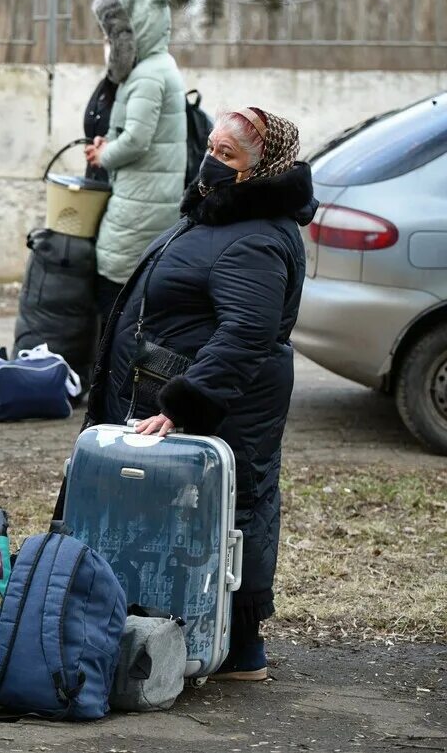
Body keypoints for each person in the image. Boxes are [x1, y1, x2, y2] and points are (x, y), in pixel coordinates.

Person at [79, 107, 315, 681]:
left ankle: (233, 648)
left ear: (262, 170)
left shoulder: (256, 239)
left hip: (221, 409)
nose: (211, 159)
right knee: (185, 519)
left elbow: (246, 333)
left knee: (232, 517)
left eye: (228, 154)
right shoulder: (221, 216)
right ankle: (172, 631)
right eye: (211, 146)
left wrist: (185, 404)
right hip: (179, 395)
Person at [84, 0, 186, 323]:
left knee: (114, 283)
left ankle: (114, 368)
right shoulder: (158, 66)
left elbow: (138, 140)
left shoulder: (148, 75)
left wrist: (103, 157)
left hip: (140, 204)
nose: (109, 43)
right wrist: (106, 144)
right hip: (146, 196)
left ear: (136, 28)